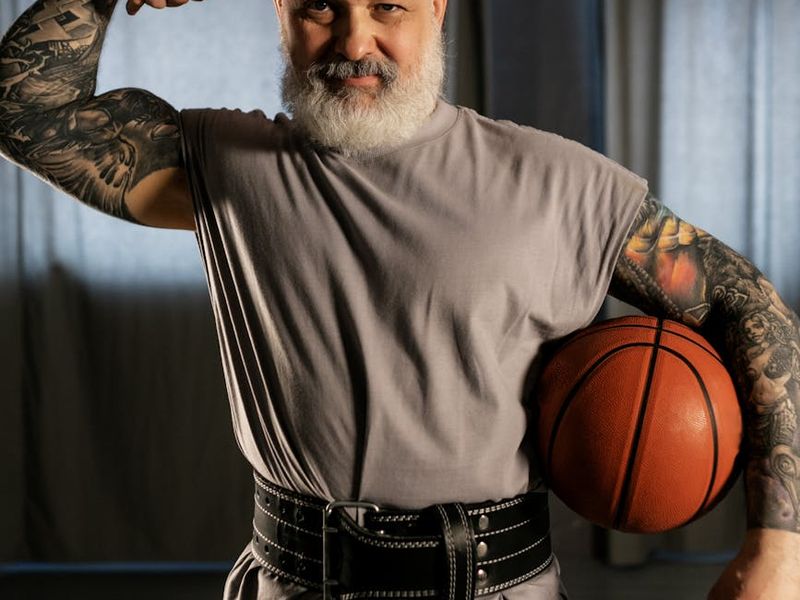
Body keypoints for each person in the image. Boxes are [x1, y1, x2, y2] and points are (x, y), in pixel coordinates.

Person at [0, 0, 798, 597]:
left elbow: (747, 304)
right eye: (320, 7)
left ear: (438, 9)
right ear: (279, 12)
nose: (354, 43)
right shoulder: (228, 165)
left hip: (494, 586)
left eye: (388, 7)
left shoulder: (560, 183)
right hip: (288, 582)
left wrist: (778, 547)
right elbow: (26, 112)